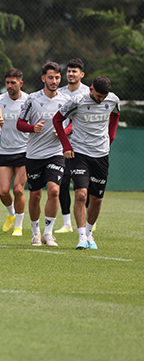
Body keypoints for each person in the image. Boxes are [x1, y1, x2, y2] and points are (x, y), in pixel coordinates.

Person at [52, 75, 120, 250]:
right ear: (91, 90)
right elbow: (57, 120)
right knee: (81, 194)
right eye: (98, 96)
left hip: (101, 154)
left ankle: (89, 234)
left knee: (96, 199)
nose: (101, 100)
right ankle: (81, 237)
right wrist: (66, 145)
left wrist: (110, 137)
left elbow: (115, 115)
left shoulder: (113, 100)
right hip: (79, 153)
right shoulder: (77, 101)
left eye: (104, 97)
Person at [16, 61, 71, 248]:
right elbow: (19, 124)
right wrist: (33, 128)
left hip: (56, 152)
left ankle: (48, 233)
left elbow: (72, 122)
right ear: (43, 78)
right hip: (34, 154)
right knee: (36, 195)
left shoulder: (65, 100)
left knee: (54, 190)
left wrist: (65, 131)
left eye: (57, 77)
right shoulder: (32, 99)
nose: (54, 80)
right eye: (50, 77)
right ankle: (35, 232)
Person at [56, 58, 88, 233]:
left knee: (83, 185)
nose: (71, 74)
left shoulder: (88, 93)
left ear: (82, 75)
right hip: (63, 144)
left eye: (74, 71)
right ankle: (67, 223)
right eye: (69, 71)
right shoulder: (60, 93)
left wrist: (67, 130)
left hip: (83, 144)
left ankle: (88, 217)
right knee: (63, 181)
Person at [0, 68, 30, 236]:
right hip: (5, 151)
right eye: (7, 83)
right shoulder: (0, 100)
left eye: (13, 83)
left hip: (24, 151)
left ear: (21, 84)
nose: (9, 86)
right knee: (3, 191)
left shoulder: (29, 100)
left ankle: (19, 225)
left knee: (18, 189)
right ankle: (11, 213)